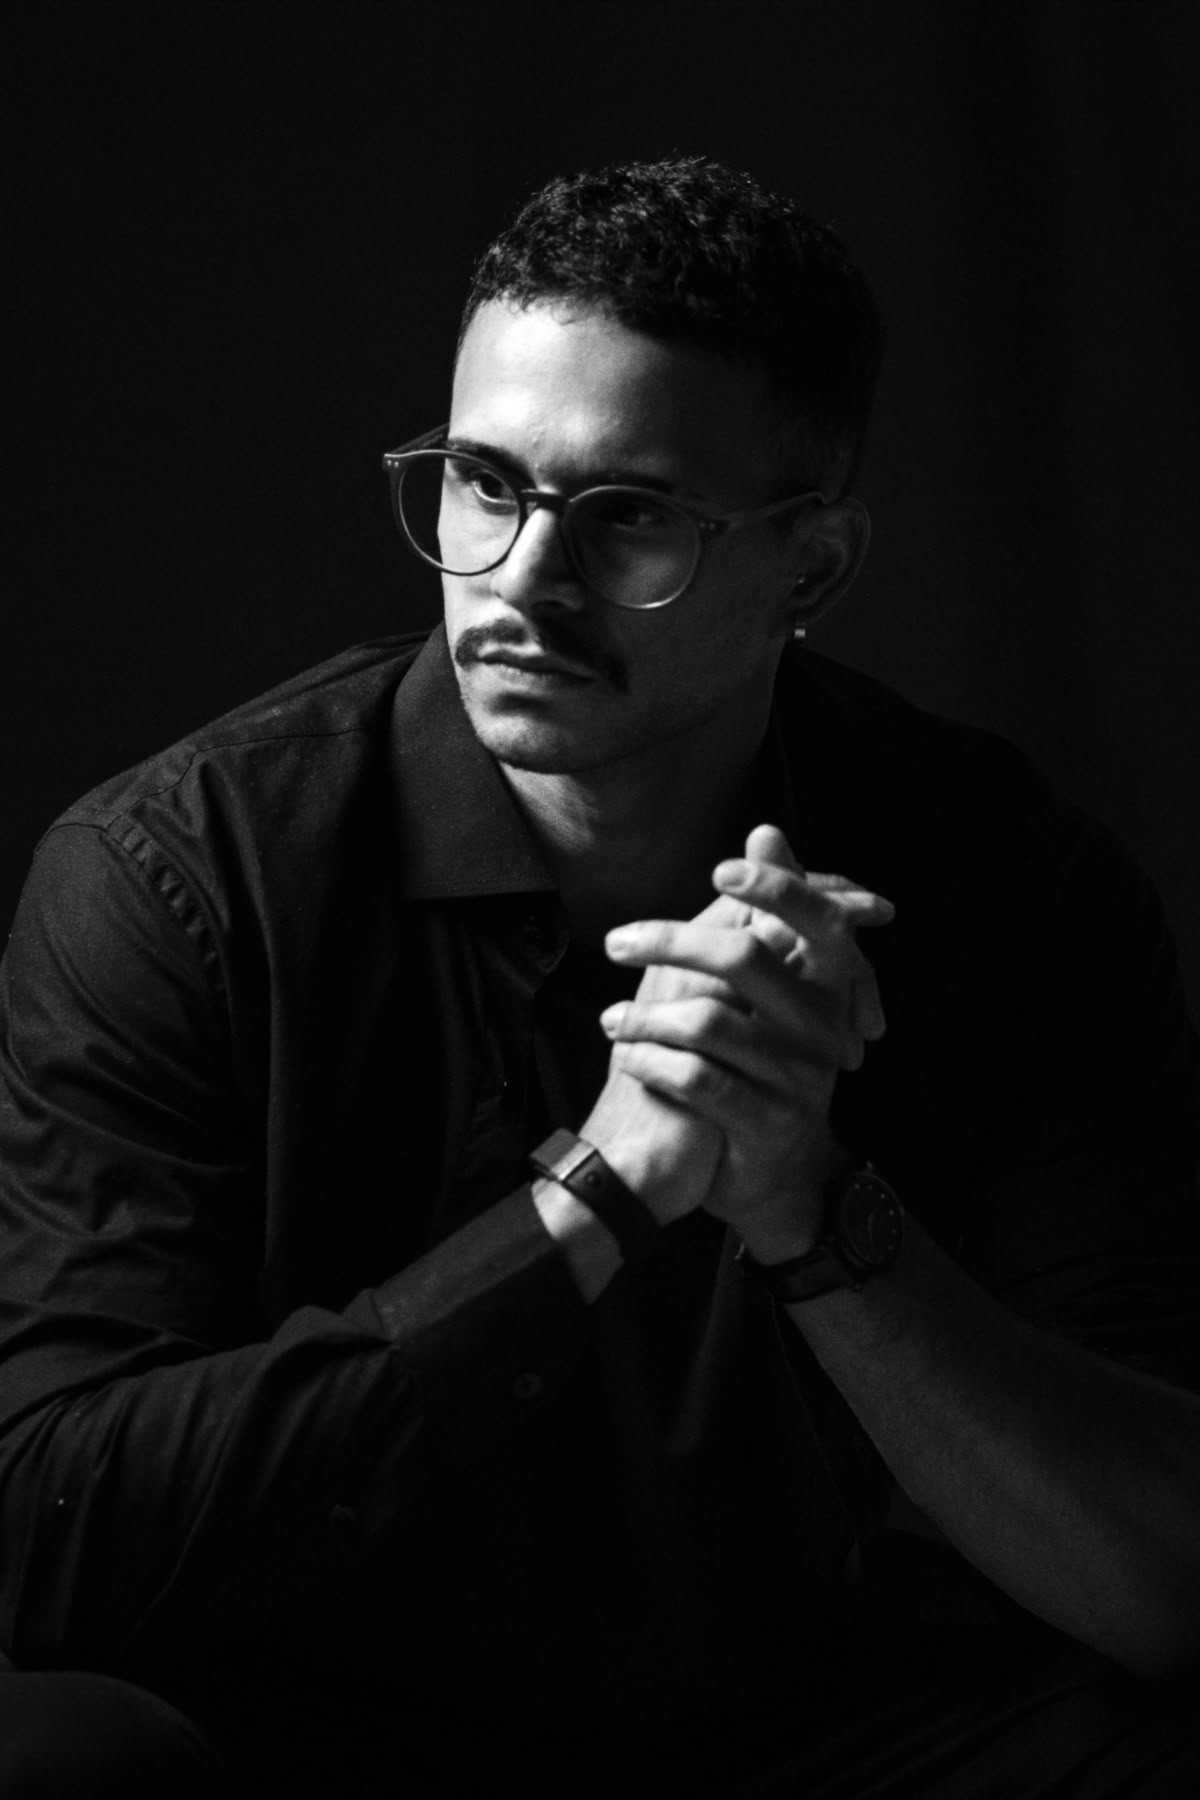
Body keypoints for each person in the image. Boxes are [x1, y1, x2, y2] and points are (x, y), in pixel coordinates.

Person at [0, 155, 1197, 1798]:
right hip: (306, 1751)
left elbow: (1162, 1581)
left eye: (628, 515)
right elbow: (42, 1544)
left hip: (841, 1740)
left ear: (814, 568)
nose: (521, 581)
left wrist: (809, 1210)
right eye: (482, 484)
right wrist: (596, 1197)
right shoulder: (180, 878)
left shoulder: (1013, 884)